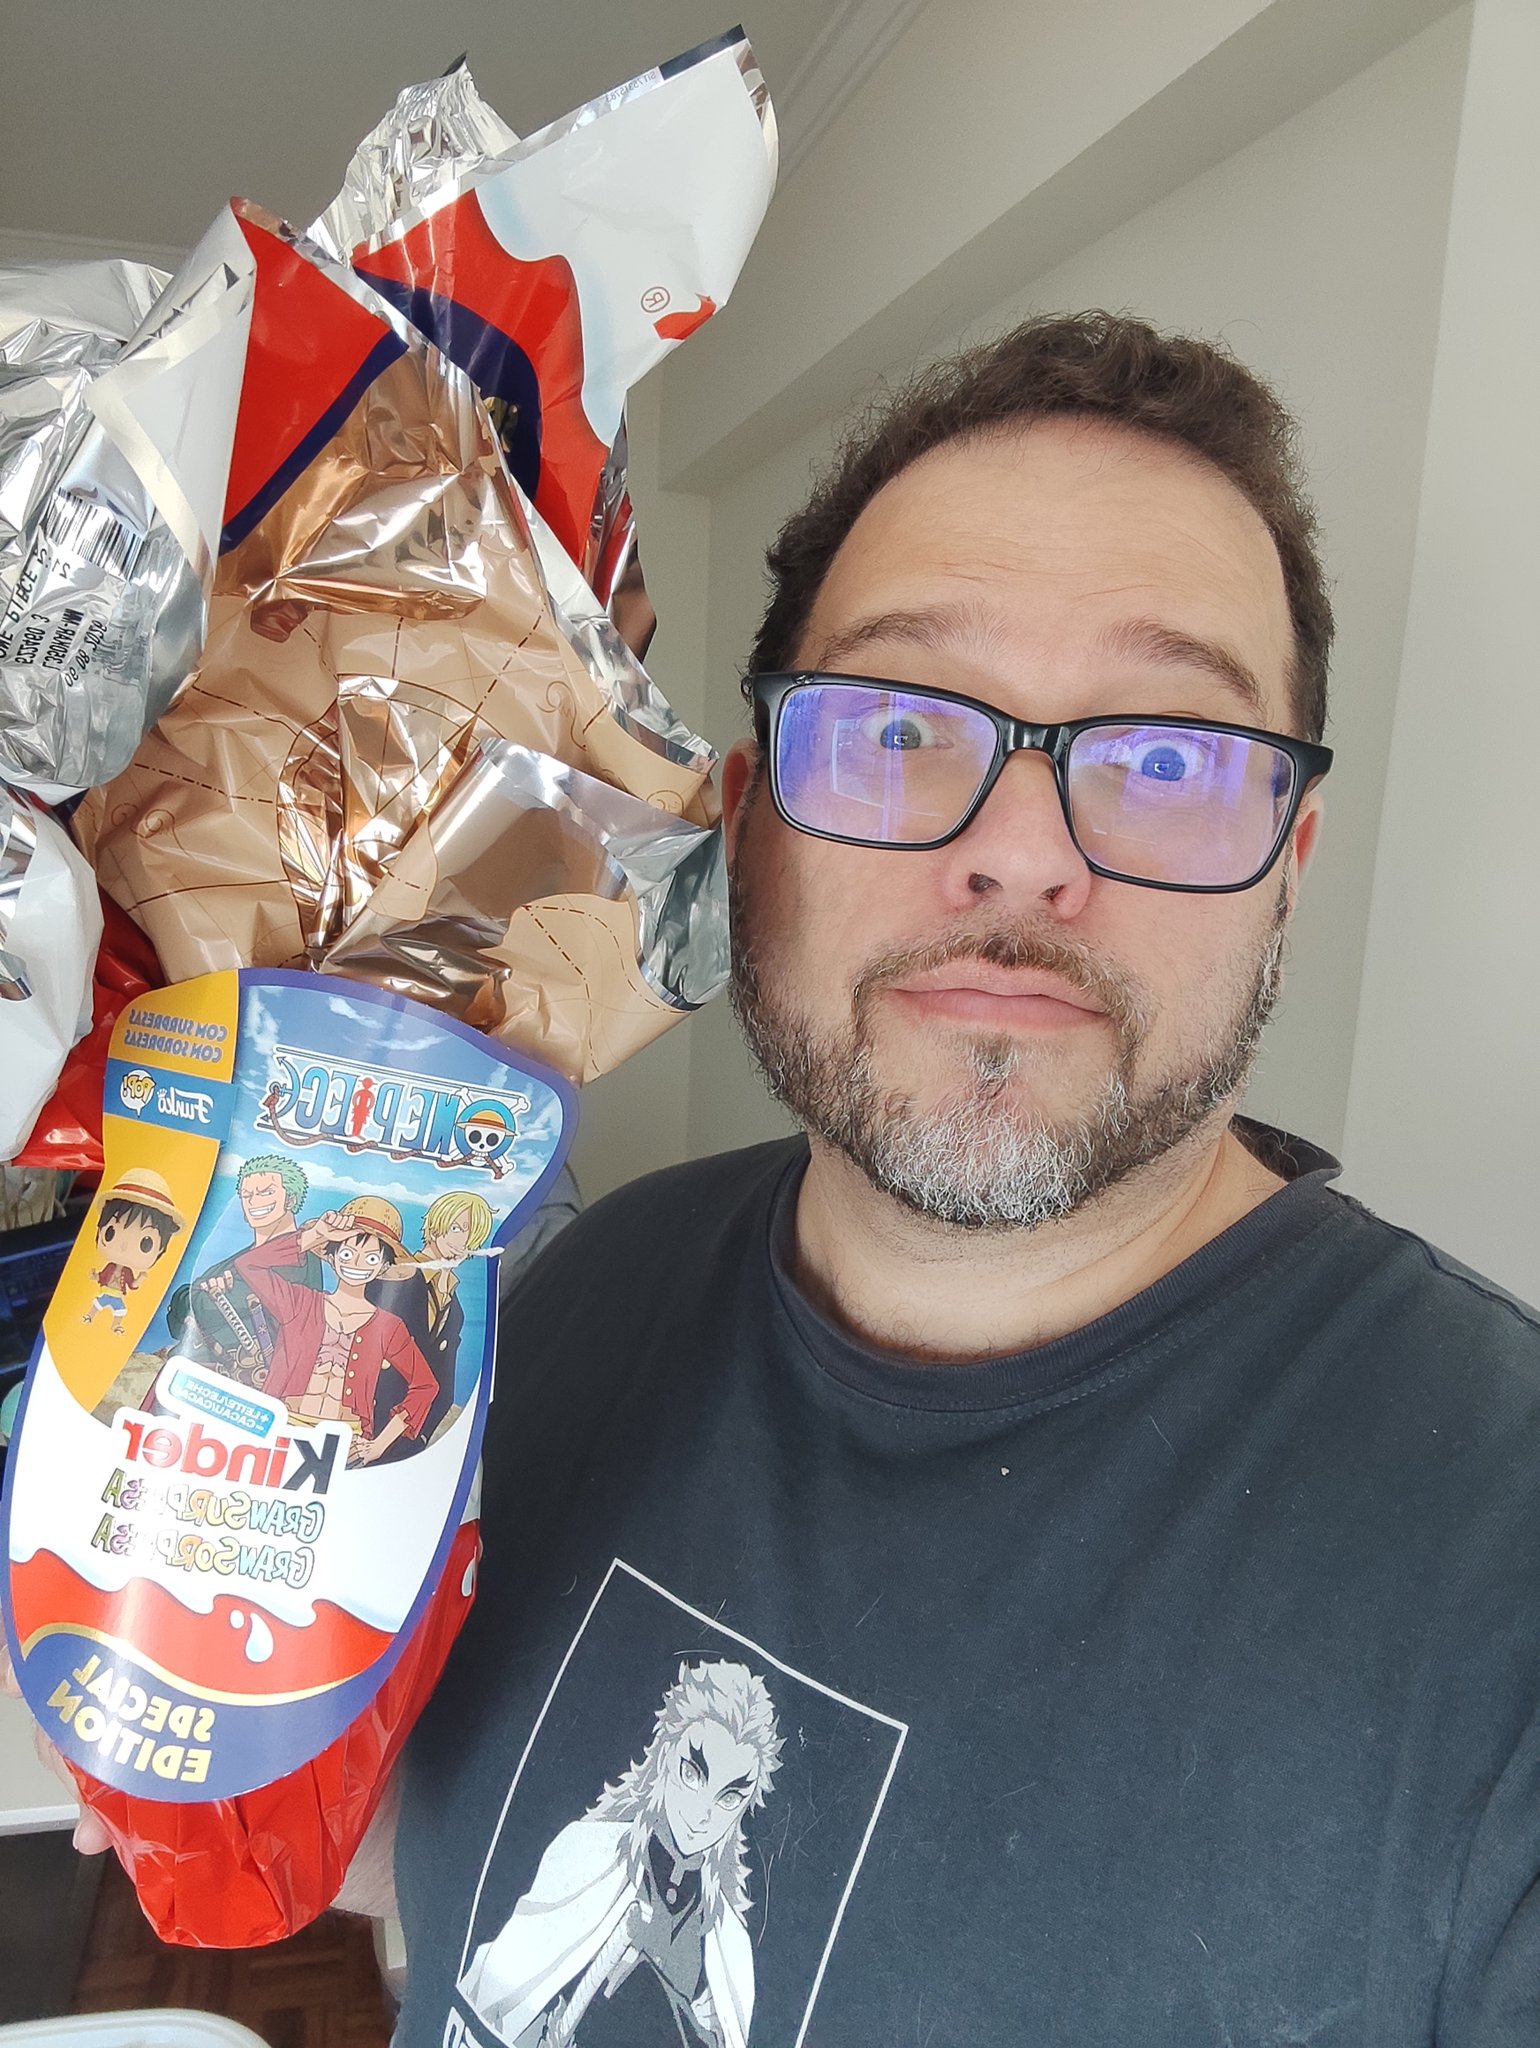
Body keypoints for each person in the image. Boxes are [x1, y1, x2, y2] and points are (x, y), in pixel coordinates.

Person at [460, 1660, 780, 2048]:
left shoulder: (728, 1942)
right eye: (692, 1774)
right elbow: (500, 1992)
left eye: (728, 1798)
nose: (702, 1814)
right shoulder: (589, 1854)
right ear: (666, 1755)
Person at [227, 1194, 438, 1465]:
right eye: (347, 1253)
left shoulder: (389, 1326)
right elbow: (249, 1265)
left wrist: (379, 1445)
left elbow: (426, 1385)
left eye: (371, 1258)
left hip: (344, 1443)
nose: (356, 1264)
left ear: (384, 1266)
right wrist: (316, 1234)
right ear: (331, 1256)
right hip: (280, 1428)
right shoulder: (299, 1303)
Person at [167, 1153, 320, 1383]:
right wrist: (193, 1298)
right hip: (187, 1379)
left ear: (290, 1199)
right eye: (247, 1195)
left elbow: (201, 1307)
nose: (254, 1202)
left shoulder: (298, 1259)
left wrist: (199, 1297)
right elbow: (178, 1315)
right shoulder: (238, 1260)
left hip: (242, 1385)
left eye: (266, 1192)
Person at [368, 1190, 496, 1457]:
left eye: (471, 1234)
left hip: (408, 1439)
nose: (462, 1241)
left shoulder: (455, 1309)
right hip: (364, 1425)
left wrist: (421, 1439)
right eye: (455, 1228)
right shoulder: (395, 1276)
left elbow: (443, 1384)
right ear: (436, 1226)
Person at [80, 1169, 184, 1336]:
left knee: (120, 1310)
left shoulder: (127, 1272)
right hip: (106, 1292)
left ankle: (115, 1326)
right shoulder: (110, 1267)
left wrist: (140, 1279)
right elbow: (101, 1276)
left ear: (160, 1249)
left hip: (117, 1295)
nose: (123, 1247)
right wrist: (94, 1276)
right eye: (110, 1233)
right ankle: (89, 1316)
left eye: (146, 1244)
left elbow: (132, 1285)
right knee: (97, 1304)